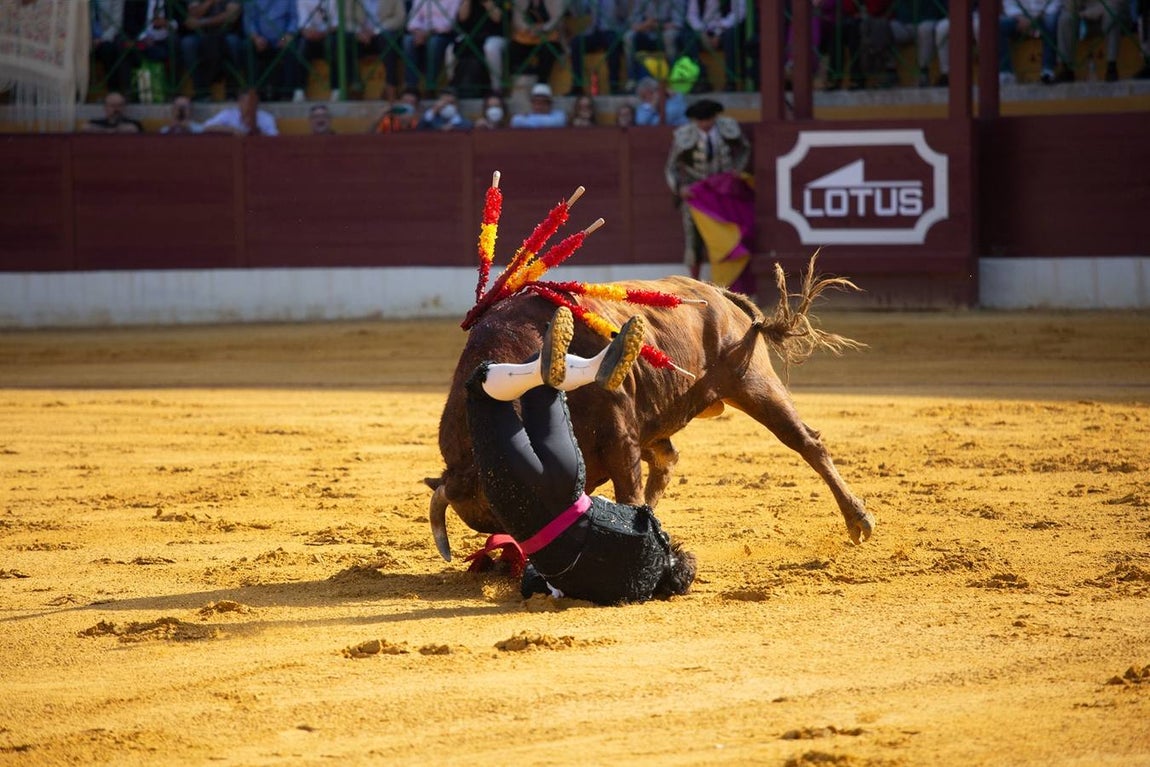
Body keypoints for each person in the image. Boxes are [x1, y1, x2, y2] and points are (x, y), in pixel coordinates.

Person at [464, 305, 697, 605]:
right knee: (480, 392)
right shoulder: (625, 593)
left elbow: (618, 509)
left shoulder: (649, 536)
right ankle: (543, 370)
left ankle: (591, 368)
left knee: (544, 382)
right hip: (520, 507)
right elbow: (532, 585)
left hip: (570, 484)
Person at [664, 98, 751, 280]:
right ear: (694, 121)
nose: (705, 124)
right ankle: (695, 283)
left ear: (715, 118)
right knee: (694, 240)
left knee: (725, 237)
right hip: (697, 195)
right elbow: (671, 167)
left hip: (724, 192)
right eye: (700, 121)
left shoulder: (726, 129)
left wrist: (738, 169)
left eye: (708, 120)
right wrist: (680, 188)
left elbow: (744, 148)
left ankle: (725, 282)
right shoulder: (685, 135)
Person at [295, 0, 360, 101]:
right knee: (302, 46)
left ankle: (337, 89)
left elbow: (337, 23)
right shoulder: (302, 1)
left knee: (335, 45)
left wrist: (323, 33)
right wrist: (309, 33)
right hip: (311, 36)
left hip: (330, 34)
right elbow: (303, 25)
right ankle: (299, 90)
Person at [180, 0, 242, 101]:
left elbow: (231, 16)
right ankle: (201, 92)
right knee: (188, 44)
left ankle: (231, 91)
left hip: (227, 32)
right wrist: (210, 2)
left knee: (233, 43)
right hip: (201, 34)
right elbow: (193, 15)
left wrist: (203, 22)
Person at [683, 0, 750, 91]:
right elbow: (691, 15)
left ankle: (731, 81)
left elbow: (739, 13)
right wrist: (701, 32)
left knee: (730, 37)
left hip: (726, 27)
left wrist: (719, 32)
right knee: (687, 37)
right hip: (703, 30)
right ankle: (702, 79)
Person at [1054, 0, 1128, 82]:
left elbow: (1116, 3)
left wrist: (1089, 12)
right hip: (1082, 14)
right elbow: (1069, 5)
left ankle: (1111, 66)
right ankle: (1066, 68)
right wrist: (1081, 11)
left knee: (1112, 16)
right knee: (1065, 18)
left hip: (1105, 13)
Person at [623, 0, 688, 91]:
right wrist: (645, 25)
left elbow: (678, 23)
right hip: (646, 30)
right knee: (628, 37)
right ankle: (632, 79)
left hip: (666, 31)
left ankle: (673, 78)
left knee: (668, 36)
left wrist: (656, 25)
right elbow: (633, 22)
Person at [403, 0, 463, 97]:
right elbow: (413, 19)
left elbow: (449, 22)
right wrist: (418, 31)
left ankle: (430, 86)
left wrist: (428, 32)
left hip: (445, 34)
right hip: (421, 32)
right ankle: (411, 87)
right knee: (408, 41)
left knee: (434, 43)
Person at [243, 0, 301, 102]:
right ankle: (255, 93)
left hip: (282, 39)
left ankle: (286, 94)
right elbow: (249, 20)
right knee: (247, 50)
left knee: (292, 49)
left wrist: (285, 38)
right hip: (259, 39)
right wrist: (256, 38)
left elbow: (294, 18)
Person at [567, 0, 628, 95]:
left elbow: (625, 14)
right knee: (576, 43)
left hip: (612, 30)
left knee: (613, 42)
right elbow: (579, 12)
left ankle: (614, 85)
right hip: (593, 32)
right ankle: (577, 84)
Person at [449, 0, 509, 97]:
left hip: (495, 35)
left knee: (490, 48)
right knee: (451, 48)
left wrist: (486, 2)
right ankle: (453, 85)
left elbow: (497, 18)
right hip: (471, 36)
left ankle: (496, 87)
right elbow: (462, 17)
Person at [353, 0, 407, 102]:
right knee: (347, 40)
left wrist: (376, 30)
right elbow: (347, 19)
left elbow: (400, 18)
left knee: (388, 39)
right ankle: (355, 84)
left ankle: (390, 86)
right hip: (361, 35)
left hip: (384, 32)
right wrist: (358, 31)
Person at [998, 0, 1062, 85]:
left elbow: (1055, 2)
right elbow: (1009, 3)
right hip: (1020, 18)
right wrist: (1020, 17)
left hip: (1045, 15)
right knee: (999, 24)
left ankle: (1048, 70)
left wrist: (1040, 16)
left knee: (1051, 22)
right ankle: (1006, 72)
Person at [889, 0, 949, 87]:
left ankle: (923, 73)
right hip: (904, 24)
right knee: (887, 28)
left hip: (929, 21)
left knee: (924, 29)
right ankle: (890, 73)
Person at [508, 0, 565, 88]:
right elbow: (517, 20)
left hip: (548, 36)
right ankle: (525, 78)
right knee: (513, 50)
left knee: (548, 51)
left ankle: (542, 84)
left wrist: (543, 28)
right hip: (527, 35)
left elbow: (557, 19)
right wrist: (529, 29)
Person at [203, 87, 280, 134]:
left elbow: (274, 140)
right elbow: (206, 127)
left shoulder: (266, 118)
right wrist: (232, 130)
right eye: (247, 103)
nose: (251, 106)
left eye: (254, 103)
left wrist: (255, 129)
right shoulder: (228, 114)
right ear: (240, 103)